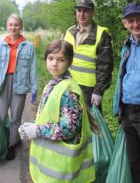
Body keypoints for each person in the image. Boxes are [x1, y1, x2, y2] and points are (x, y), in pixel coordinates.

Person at [19, 39, 95, 183]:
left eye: (60, 59)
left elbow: (68, 129)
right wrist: (33, 125)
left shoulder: (68, 90)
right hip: (52, 165)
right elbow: (48, 116)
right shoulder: (53, 84)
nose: (54, 63)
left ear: (69, 62)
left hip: (62, 169)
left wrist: (37, 130)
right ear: (45, 60)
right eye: (51, 58)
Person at [0, 13, 38, 160]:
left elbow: (33, 69)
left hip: (20, 85)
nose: (13, 27)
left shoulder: (28, 47)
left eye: (16, 24)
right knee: (1, 116)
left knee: (15, 117)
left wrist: (34, 88)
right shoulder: (0, 47)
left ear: (21, 26)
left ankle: (11, 144)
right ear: (7, 26)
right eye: (10, 24)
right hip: (3, 84)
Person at [64, 0, 114, 111]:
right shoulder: (69, 32)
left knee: (91, 126)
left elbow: (105, 67)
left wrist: (98, 91)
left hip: (90, 91)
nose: (81, 14)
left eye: (85, 11)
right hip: (69, 85)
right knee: (69, 123)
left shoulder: (101, 34)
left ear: (93, 12)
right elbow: (62, 59)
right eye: (79, 10)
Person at [114, 2, 140, 183]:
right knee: (135, 161)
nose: (135, 24)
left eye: (139, 19)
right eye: (131, 21)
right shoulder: (127, 45)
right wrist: (118, 107)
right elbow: (120, 77)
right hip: (126, 111)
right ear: (125, 23)